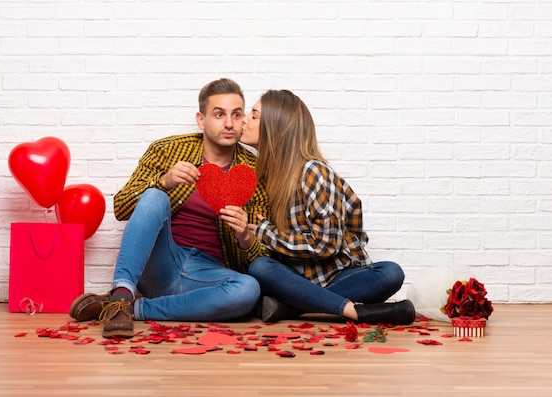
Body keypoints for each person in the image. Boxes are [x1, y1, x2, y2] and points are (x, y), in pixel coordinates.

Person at [69, 78, 269, 338]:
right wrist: (164, 181)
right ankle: (122, 292)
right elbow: (121, 207)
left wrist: (245, 237)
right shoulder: (168, 150)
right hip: (161, 262)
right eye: (219, 114)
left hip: (205, 277)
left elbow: (262, 258)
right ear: (201, 119)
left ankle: (128, 308)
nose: (229, 123)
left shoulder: (254, 173)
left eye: (236, 114)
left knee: (249, 289)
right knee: (155, 196)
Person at [241, 89, 416, 325]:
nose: (243, 120)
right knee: (260, 267)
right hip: (296, 279)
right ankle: (352, 311)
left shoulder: (312, 172)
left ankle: (294, 307)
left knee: (391, 273)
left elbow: (326, 246)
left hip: (340, 277)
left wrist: (264, 232)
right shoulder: (263, 178)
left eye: (253, 115)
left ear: (276, 127)